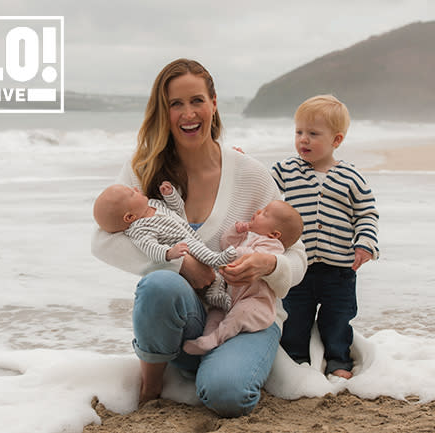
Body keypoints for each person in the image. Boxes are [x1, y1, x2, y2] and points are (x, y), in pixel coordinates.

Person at [91, 58, 307, 417]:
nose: (188, 114)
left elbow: (297, 257)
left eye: (196, 101)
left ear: (214, 103)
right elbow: (101, 241)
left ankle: (222, 367)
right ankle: (152, 383)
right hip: (185, 321)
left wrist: (266, 264)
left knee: (227, 395)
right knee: (160, 284)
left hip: (244, 316)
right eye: (176, 103)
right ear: (164, 111)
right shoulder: (143, 170)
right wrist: (181, 263)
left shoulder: (251, 175)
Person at [271, 94, 379, 380]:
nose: (303, 140)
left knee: (338, 318)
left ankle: (338, 360)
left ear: (336, 140)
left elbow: (367, 213)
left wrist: (365, 243)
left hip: (340, 269)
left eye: (313, 134)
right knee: (294, 317)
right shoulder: (288, 170)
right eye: (299, 132)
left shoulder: (350, 176)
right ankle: (295, 361)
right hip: (299, 266)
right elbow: (259, 183)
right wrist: (240, 161)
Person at [183, 200, 304, 355]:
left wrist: (235, 253)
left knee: (239, 315)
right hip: (229, 298)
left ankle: (216, 338)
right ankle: (207, 339)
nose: (258, 212)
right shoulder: (248, 237)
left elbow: (253, 256)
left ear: (274, 234)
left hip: (254, 301)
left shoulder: (273, 245)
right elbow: (226, 244)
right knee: (215, 313)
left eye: (264, 213)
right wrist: (236, 230)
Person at [92, 181, 235, 310]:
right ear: (129, 217)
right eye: (132, 193)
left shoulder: (154, 204)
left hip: (192, 239)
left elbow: (178, 211)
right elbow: (150, 248)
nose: (136, 189)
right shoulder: (139, 229)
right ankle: (217, 259)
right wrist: (169, 253)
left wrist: (170, 196)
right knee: (194, 248)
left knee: (216, 279)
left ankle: (218, 296)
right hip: (182, 246)